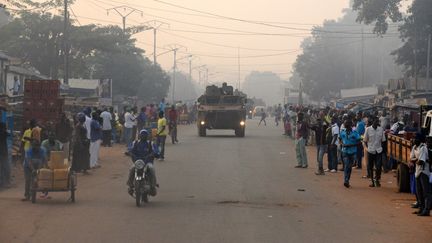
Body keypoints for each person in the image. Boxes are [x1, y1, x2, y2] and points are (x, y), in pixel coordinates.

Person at [127, 129, 159, 196]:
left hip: (147, 162)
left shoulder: (151, 143)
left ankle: (153, 186)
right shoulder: (135, 143)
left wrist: (154, 154)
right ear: (139, 135)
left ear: (147, 136)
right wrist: (129, 153)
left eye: (145, 135)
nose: (143, 136)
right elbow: (130, 149)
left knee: (152, 169)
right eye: (142, 134)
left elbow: (156, 150)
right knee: (131, 169)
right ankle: (130, 186)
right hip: (138, 162)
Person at [412, 136, 431, 216]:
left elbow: (421, 162)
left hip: (424, 172)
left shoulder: (423, 148)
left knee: (426, 192)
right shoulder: (414, 147)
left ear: (420, 140)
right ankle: (421, 208)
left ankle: (426, 210)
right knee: (419, 191)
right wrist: (416, 160)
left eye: (416, 138)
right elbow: (411, 158)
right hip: (417, 171)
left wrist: (415, 160)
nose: (414, 140)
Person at [364, 118, 386, 187]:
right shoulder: (368, 129)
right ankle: (372, 182)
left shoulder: (381, 129)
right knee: (370, 167)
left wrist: (382, 149)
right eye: (376, 121)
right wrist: (367, 148)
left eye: (378, 122)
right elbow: (365, 140)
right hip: (370, 151)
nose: (377, 123)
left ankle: (377, 180)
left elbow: (383, 141)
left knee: (378, 166)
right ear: (373, 122)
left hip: (378, 151)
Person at [339, 120, 360, 188]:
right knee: (347, 165)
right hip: (344, 151)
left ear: (350, 124)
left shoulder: (355, 132)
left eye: (346, 123)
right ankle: (346, 180)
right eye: (345, 123)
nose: (345, 124)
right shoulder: (342, 131)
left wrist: (351, 145)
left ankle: (347, 179)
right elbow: (340, 140)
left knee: (349, 167)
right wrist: (342, 144)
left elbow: (359, 142)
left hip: (352, 151)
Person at [0, 122, 11, 187]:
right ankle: (6, 182)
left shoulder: (4, 133)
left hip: (3, 152)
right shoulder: (5, 133)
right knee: (5, 167)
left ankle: (3, 181)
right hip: (4, 152)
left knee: (3, 167)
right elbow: (8, 134)